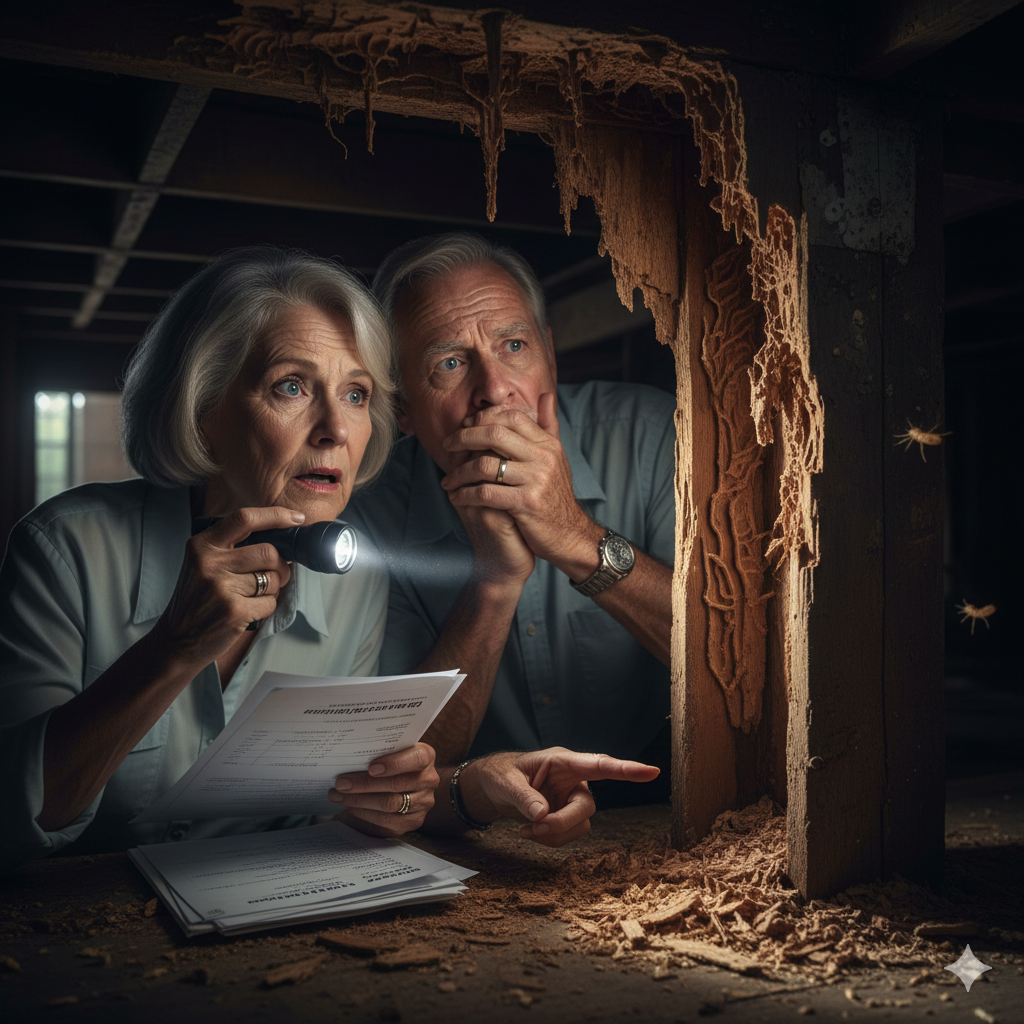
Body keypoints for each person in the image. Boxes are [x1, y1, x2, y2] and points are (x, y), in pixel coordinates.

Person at [0, 246, 438, 872]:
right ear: (202, 409)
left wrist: (388, 799)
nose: (336, 429)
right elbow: (14, 821)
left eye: (356, 394)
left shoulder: (356, 581)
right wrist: (174, 648)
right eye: (291, 386)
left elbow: (327, 810)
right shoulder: (67, 548)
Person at [346, 232, 675, 848]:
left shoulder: (650, 438)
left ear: (549, 355)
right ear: (403, 409)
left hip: (668, 803)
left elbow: (736, 666)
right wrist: (494, 582)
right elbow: (394, 774)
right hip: (481, 827)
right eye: (449, 362)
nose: (495, 390)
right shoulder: (369, 521)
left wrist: (577, 537)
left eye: (515, 345)